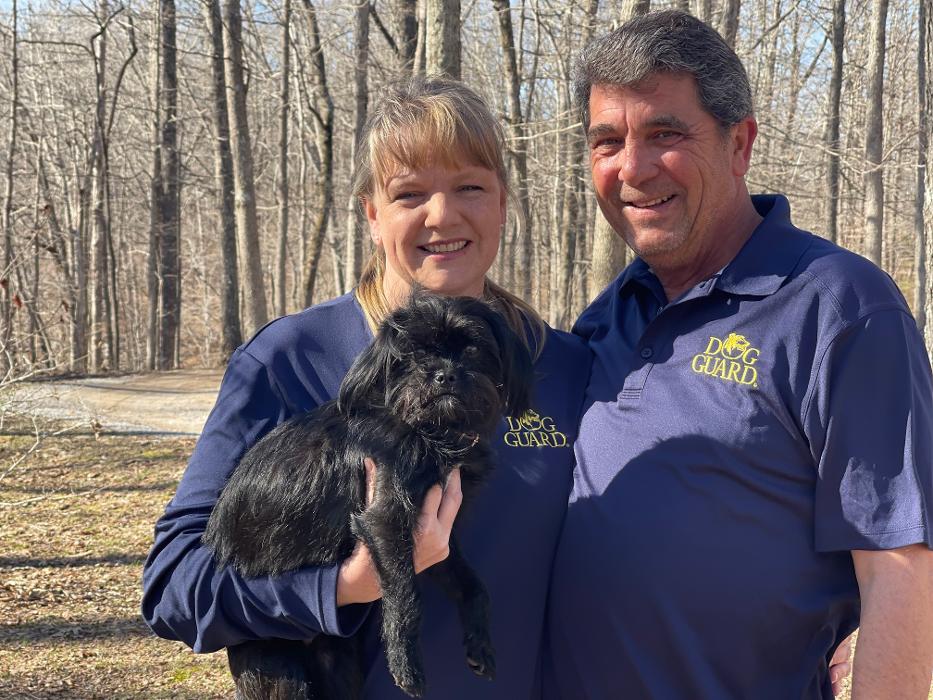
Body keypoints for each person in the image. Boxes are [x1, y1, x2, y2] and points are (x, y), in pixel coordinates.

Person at [141, 76, 591, 698]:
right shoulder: (289, 360)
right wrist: (344, 587)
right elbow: (173, 588)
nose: (442, 215)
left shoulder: (565, 366)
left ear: (503, 202)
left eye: (470, 187)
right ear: (372, 214)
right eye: (410, 194)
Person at [545, 9, 933, 700]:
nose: (631, 167)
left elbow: (899, 568)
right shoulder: (603, 319)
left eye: (663, 133)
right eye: (606, 141)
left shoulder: (838, 308)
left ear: (738, 143)